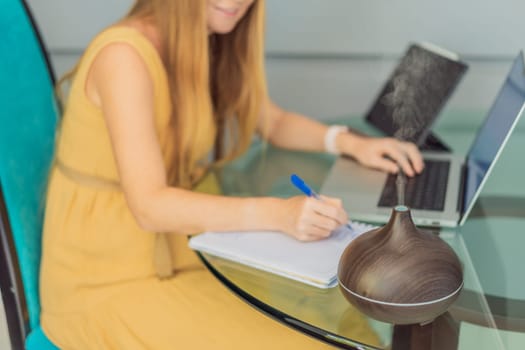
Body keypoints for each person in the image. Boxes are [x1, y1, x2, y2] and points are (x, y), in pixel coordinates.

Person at [40, 0, 424, 348]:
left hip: (188, 245)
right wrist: (279, 214)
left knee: (346, 327)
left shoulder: (205, 37)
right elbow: (149, 206)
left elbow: (271, 122)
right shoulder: (123, 58)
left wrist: (350, 143)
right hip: (109, 276)